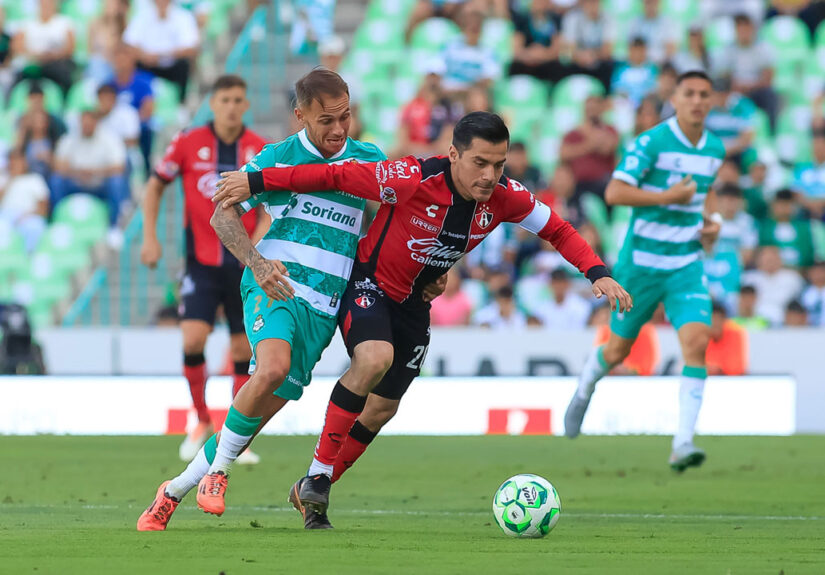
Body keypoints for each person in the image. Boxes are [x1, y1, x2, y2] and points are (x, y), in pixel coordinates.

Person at [212, 111, 632, 528]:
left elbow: (558, 230)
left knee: (381, 411)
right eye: (480, 163)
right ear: (453, 154)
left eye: (499, 164)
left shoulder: (507, 197)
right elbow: (335, 176)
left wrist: (598, 273)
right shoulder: (411, 177)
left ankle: (311, 489)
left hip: (414, 304)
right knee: (374, 358)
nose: (490, 175)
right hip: (367, 285)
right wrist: (258, 181)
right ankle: (319, 477)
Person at [136, 68, 390, 532]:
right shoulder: (276, 158)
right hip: (275, 285)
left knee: (248, 420)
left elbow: (393, 221)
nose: (338, 130)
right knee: (269, 368)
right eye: (325, 121)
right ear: (300, 116)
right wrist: (257, 263)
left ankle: (171, 492)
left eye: (345, 118)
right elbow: (222, 215)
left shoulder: (370, 160)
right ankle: (218, 473)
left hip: (323, 310)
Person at [564, 70, 726, 473]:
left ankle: (682, 443)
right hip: (641, 265)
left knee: (697, 340)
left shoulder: (715, 149)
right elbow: (614, 192)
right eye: (689, 93)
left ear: (712, 100)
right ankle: (585, 386)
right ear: (674, 97)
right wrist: (668, 196)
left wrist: (711, 224)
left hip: (685, 264)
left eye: (704, 94)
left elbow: (703, 198)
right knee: (618, 350)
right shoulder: (651, 141)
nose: (697, 101)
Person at [139, 75, 269, 465]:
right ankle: (200, 422)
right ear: (213, 103)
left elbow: (270, 205)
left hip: (243, 264)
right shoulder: (187, 142)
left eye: (238, 99)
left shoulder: (259, 149)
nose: (232, 106)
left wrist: (257, 247)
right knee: (193, 339)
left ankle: (233, 437)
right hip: (201, 263)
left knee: (242, 350)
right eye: (225, 99)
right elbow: (154, 186)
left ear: (246, 105)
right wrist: (150, 237)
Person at [50, 109, 130, 236]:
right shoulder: (70, 139)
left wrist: (95, 172)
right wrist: (78, 173)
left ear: (96, 123)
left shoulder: (109, 139)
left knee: (117, 182)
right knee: (56, 180)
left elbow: (120, 167)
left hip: (100, 184)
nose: (86, 126)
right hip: (76, 183)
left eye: (89, 123)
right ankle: (56, 222)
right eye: (84, 123)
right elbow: (57, 165)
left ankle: (114, 226)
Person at [123, 0, 200, 104]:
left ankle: (182, 104)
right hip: (147, 64)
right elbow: (129, 44)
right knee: (132, 64)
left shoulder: (184, 17)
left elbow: (191, 48)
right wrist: (144, 56)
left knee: (184, 65)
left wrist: (162, 56)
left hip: (173, 65)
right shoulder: (142, 16)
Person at [713, 13, 779, 131]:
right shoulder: (729, 49)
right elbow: (725, 76)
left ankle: (772, 131)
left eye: (746, 29)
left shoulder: (763, 48)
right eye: (740, 29)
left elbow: (768, 78)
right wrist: (736, 86)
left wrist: (748, 86)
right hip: (734, 88)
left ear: (752, 29)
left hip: (757, 90)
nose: (743, 33)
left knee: (769, 95)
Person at [559, 95, 619, 200]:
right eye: (589, 109)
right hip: (579, 183)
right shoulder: (573, 133)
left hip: (603, 182)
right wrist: (590, 145)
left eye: (595, 109)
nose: (592, 112)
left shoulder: (610, 130)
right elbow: (564, 154)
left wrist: (588, 135)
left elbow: (608, 149)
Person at [11, 0, 76, 97]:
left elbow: (70, 49)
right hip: (33, 63)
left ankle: (67, 100)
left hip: (56, 63)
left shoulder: (64, 23)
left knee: (65, 74)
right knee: (18, 76)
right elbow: (17, 47)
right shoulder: (27, 23)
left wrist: (53, 55)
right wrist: (35, 56)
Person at [111, 43, 155, 177]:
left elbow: (147, 109)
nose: (121, 62)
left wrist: (130, 124)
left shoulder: (143, 82)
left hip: (136, 126)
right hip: (114, 126)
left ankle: (146, 171)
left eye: (124, 58)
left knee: (145, 129)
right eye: (118, 59)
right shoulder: (110, 84)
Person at [440, 8, 501, 95]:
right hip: (447, 92)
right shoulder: (449, 46)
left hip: (472, 94)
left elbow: (489, 80)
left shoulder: (489, 52)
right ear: (464, 28)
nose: (473, 32)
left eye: (476, 28)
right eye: (470, 27)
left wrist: (466, 90)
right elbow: (435, 70)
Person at [0, 148, 50, 253]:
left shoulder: (35, 179)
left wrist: (27, 215)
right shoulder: (3, 179)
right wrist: (11, 179)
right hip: (5, 216)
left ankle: (28, 259)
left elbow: (44, 209)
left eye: (17, 160)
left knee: (34, 227)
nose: (14, 163)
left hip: (29, 216)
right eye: (12, 160)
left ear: (25, 162)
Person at [741, 246, 805, 325]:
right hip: (755, 322)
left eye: (773, 259)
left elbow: (801, 303)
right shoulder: (748, 278)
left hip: (785, 323)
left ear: (780, 260)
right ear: (758, 261)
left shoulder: (793, 278)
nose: (770, 262)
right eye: (767, 259)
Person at [758, 189, 814, 269]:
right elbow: (763, 249)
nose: (784, 208)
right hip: (773, 270)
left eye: (787, 204)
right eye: (781, 204)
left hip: (800, 271)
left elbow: (809, 252)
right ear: (773, 206)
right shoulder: (765, 227)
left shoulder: (804, 227)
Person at [610, 36, 658, 108]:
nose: (637, 54)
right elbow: (616, 88)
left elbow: (654, 89)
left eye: (640, 51)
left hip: (646, 104)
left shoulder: (653, 69)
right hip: (625, 104)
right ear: (630, 51)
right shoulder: (621, 69)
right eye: (635, 50)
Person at [625, 0, 676, 65]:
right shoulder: (634, 23)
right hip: (639, 65)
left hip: (660, 66)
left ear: (659, 2)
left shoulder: (668, 23)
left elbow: (670, 51)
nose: (651, 5)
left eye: (653, 2)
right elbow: (631, 49)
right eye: (648, 2)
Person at [705, 302, 748, 376]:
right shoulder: (702, 333)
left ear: (724, 320)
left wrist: (715, 368)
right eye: (712, 319)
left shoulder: (735, 333)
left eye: (718, 319)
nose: (715, 323)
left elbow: (737, 369)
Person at [801, 260, 825, 326]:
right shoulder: (804, 293)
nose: (818, 275)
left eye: (821, 272)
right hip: (810, 330)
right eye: (815, 272)